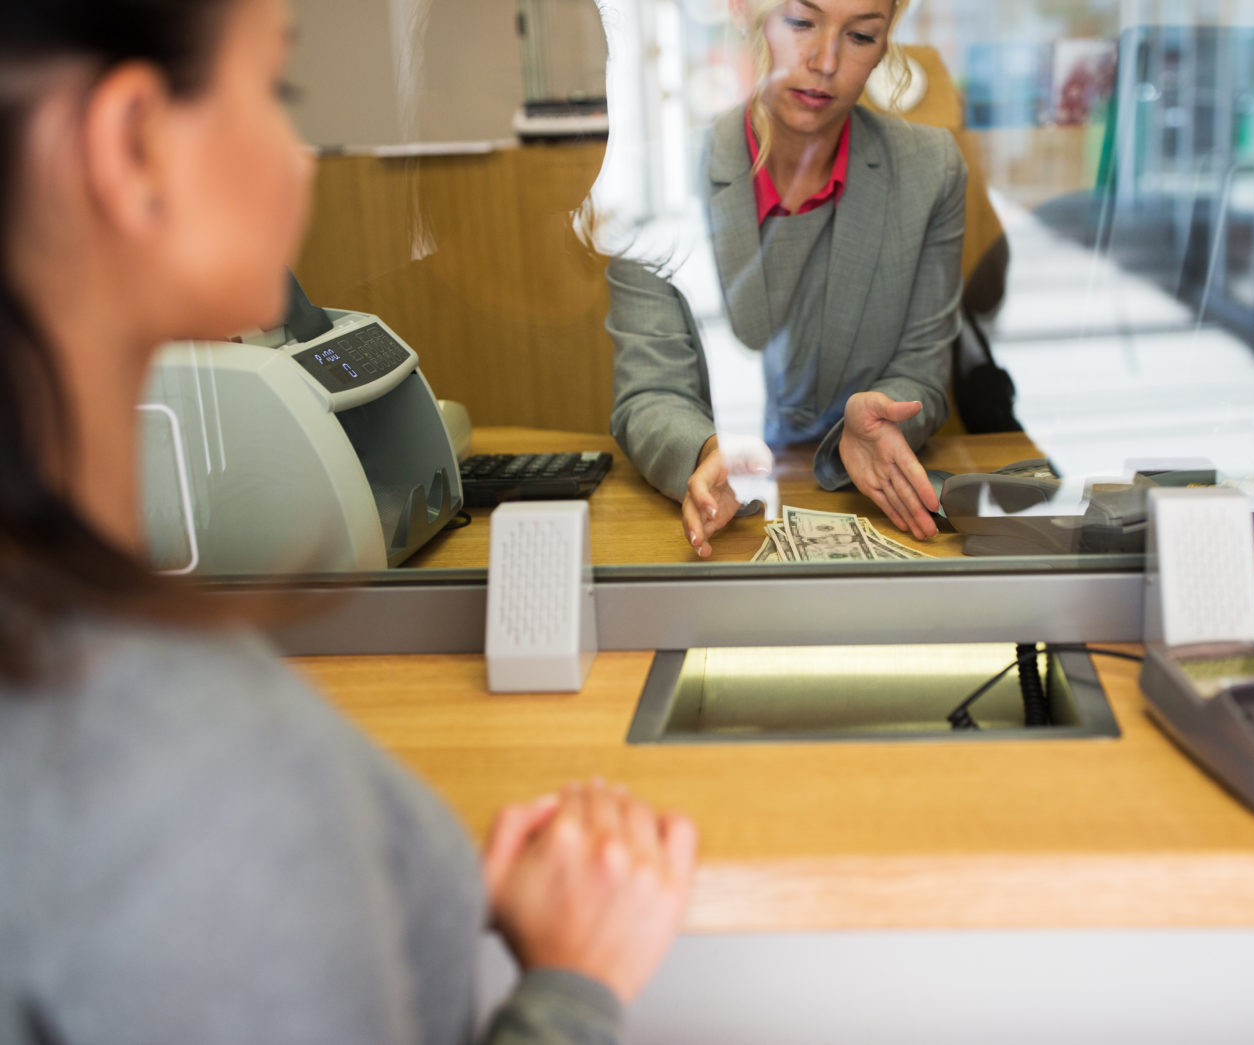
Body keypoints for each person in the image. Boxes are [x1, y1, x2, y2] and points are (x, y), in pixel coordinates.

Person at [0, 2, 695, 1042]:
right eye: (276, 95)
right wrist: (569, 989)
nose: (306, 160)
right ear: (134, 145)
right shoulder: (209, 788)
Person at [607, 0, 968, 557]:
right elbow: (651, 392)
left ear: (884, 45)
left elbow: (922, 371)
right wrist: (706, 449)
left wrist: (882, 412)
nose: (824, 61)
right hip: (728, 523)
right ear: (743, 12)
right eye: (801, 23)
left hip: (854, 502)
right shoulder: (654, 182)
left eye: (861, 36)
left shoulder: (931, 170)